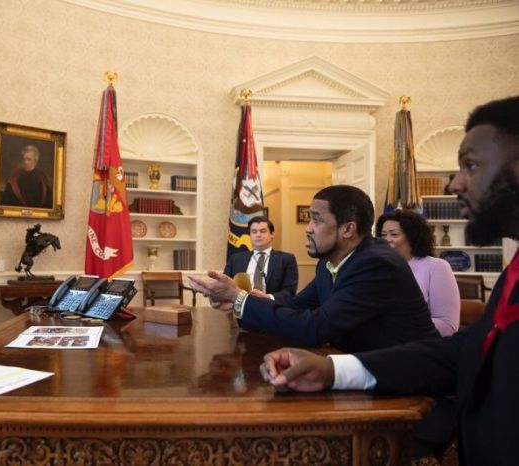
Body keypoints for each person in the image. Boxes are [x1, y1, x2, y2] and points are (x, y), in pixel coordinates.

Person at [258, 96, 519, 466]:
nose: (454, 184)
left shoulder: (377, 263)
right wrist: (333, 370)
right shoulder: (516, 271)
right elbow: (463, 351)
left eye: (471, 165)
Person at [189, 185, 439, 353]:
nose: (308, 228)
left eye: (316, 219)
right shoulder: (328, 262)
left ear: (348, 229)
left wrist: (239, 299)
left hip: (409, 387)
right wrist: (245, 301)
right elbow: (297, 306)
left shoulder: (376, 265)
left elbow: (315, 328)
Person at [376, 210, 460, 336]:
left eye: (394, 234)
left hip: (421, 347)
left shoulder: (437, 267)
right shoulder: (378, 269)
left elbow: (447, 326)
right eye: (383, 235)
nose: (386, 240)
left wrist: (393, 327)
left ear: (412, 236)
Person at [223, 215, 298, 301]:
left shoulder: (286, 259)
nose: (258, 235)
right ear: (250, 236)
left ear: (272, 234)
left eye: (263, 231)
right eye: (254, 232)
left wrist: (267, 297)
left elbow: (289, 292)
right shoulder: (235, 259)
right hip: (241, 308)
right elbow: (225, 285)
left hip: (271, 308)